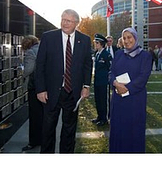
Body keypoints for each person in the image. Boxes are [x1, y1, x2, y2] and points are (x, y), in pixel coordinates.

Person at [35, 9, 92, 153]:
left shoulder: (84, 40)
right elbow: (40, 64)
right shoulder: (49, 37)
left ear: (76, 23)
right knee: (48, 130)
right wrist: (40, 89)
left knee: (69, 130)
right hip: (51, 93)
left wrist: (86, 86)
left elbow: (87, 65)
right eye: (63, 19)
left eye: (68, 21)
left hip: (72, 93)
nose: (64, 23)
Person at [109, 27, 152, 153]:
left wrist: (126, 88)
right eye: (124, 38)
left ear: (135, 38)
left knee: (134, 132)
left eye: (129, 37)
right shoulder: (118, 54)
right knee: (118, 130)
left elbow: (143, 78)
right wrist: (115, 83)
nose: (127, 40)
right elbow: (111, 73)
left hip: (135, 101)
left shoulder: (145, 56)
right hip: (118, 100)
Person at [21, 35, 43, 151]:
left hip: (34, 87)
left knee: (34, 115)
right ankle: (44, 138)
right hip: (45, 86)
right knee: (43, 115)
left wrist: (21, 74)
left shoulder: (30, 52)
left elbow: (29, 69)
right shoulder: (43, 48)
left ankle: (34, 141)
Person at [91, 34, 112, 126]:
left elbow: (111, 68)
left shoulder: (106, 55)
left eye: (97, 42)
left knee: (104, 100)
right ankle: (99, 116)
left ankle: (105, 118)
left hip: (104, 82)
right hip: (97, 81)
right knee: (98, 100)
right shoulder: (97, 53)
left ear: (101, 44)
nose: (95, 44)